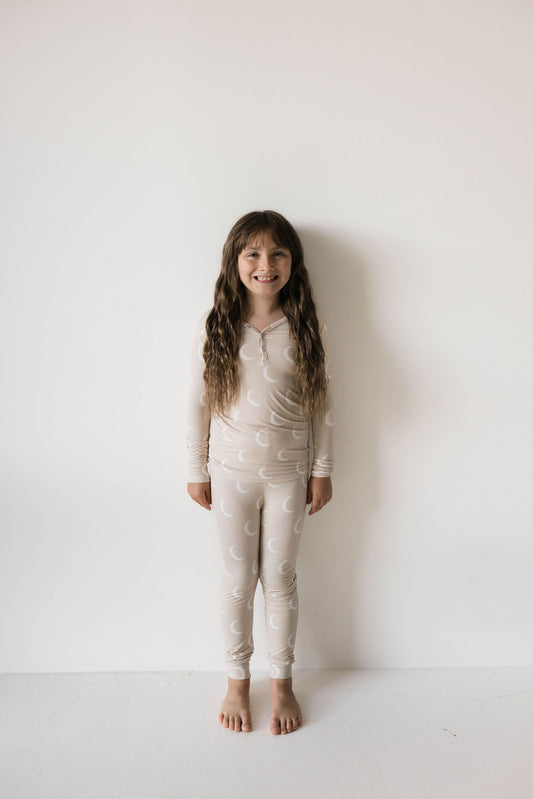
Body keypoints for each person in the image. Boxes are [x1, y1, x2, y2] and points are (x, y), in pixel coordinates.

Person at [185, 210, 335, 735]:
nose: (265, 264)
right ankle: (236, 681)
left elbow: (322, 405)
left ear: (293, 263)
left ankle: (282, 683)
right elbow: (198, 402)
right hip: (230, 475)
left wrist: (322, 469)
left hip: (288, 475)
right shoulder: (217, 325)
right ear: (235, 261)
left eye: (277, 253)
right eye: (252, 253)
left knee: (280, 578)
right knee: (238, 579)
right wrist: (196, 467)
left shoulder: (306, 327)